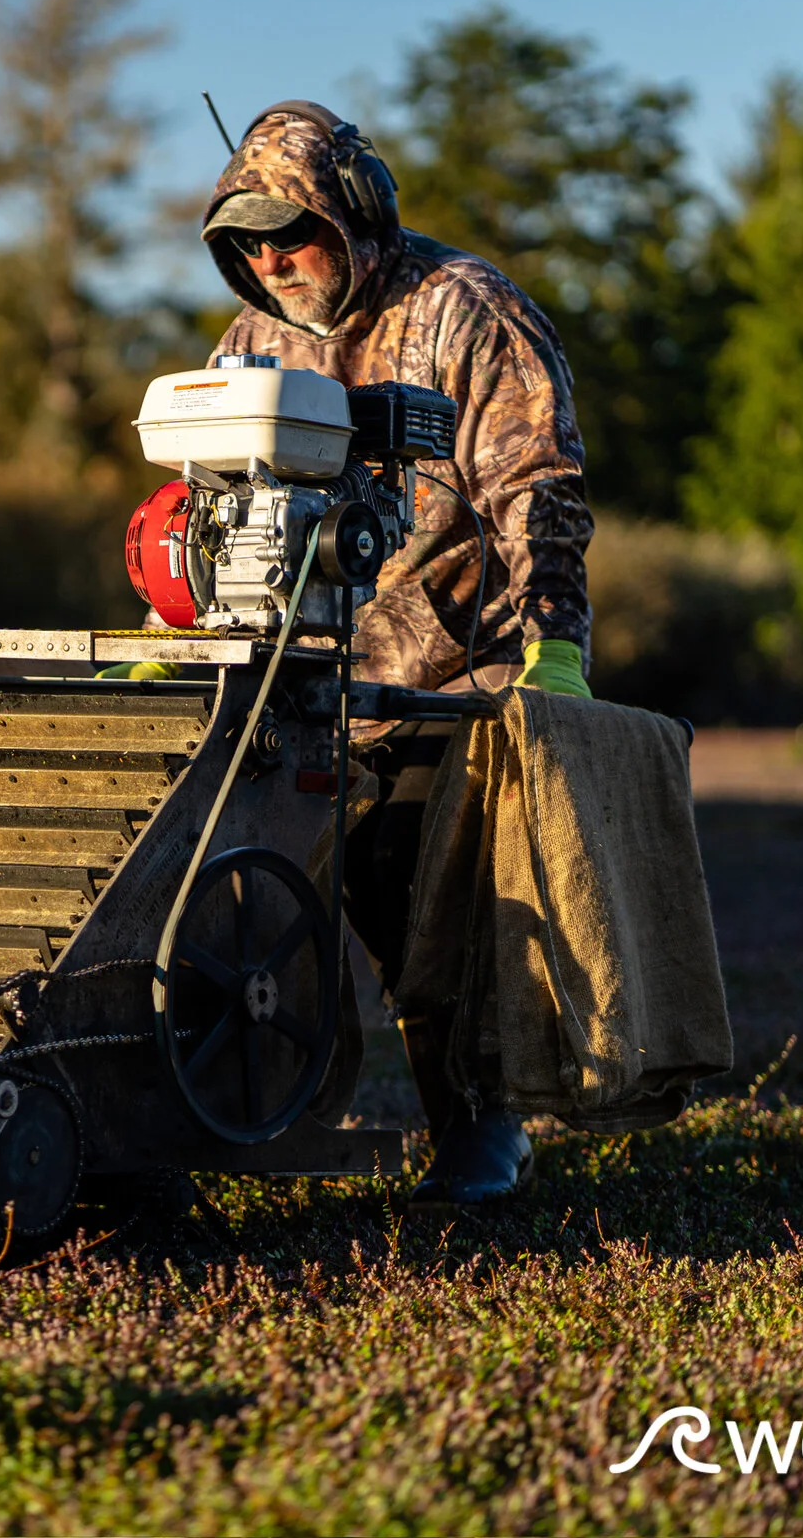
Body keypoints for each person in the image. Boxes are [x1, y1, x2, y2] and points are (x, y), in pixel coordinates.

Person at [200, 100, 595, 1206]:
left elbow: (540, 487)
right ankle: (226, 1116)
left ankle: (479, 1131)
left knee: (435, 918)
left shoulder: (465, 310)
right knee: (238, 901)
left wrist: (550, 647)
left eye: (293, 233)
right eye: (248, 243)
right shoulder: (247, 341)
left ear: (356, 213)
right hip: (289, 675)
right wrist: (176, 630)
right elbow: (208, 505)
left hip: (450, 675)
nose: (272, 260)